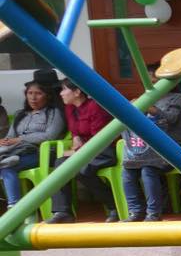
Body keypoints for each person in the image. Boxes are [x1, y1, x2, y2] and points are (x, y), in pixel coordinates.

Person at [121, 66, 181, 222]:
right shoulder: (144, 99)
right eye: (148, 82)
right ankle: (135, 211)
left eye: (154, 82)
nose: (150, 86)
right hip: (146, 150)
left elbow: (170, 119)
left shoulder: (177, 98)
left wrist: (151, 109)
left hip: (171, 149)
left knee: (147, 170)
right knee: (127, 171)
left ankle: (153, 213)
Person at [47, 79, 118, 223]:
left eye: (64, 89)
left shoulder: (95, 106)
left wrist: (77, 152)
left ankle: (113, 206)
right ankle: (62, 211)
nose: (61, 94)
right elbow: (75, 132)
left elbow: (99, 139)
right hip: (85, 152)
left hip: (102, 151)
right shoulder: (70, 108)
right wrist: (76, 139)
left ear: (77, 92)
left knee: (80, 170)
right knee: (60, 162)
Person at [0, 70, 66, 214]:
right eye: (30, 93)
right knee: (5, 163)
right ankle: (14, 206)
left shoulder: (55, 112)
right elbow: (11, 136)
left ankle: (14, 208)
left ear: (48, 96)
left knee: (6, 166)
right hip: (17, 151)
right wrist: (4, 141)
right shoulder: (20, 114)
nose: (33, 98)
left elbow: (50, 136)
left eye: (38, 93)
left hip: (40, 152)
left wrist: (21, 139)